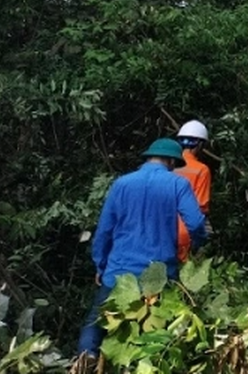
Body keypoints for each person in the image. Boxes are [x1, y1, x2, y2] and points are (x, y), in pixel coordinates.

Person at [77, 138, 208, 361]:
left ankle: (85, 358)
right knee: (158, 334)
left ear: (149, 157)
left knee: (96, 321)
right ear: (170, 161)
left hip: (119, 271)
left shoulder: (122, 184)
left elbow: (105, 230)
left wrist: (100, 264)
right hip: (159, 275)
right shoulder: (177, 184)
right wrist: (196, 244)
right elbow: (196, 223)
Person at [174, 120, 213, 263]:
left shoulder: (168, 165)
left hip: (161, 230)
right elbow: (201, 206)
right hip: (186, 232)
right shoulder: (202, 170)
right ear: (201, 145)